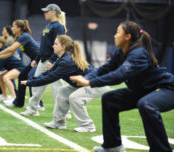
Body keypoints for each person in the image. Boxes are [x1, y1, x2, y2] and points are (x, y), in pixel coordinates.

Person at [70, 21, 174, 152]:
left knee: (147, 104)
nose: (114, 36)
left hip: (167, 88)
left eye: (117, 32)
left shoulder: (139, 54)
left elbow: (119, 75)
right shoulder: (120, 53)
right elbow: (103, 70)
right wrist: (85, 78)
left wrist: (90, 83)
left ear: (127, 36)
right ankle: (112, 145)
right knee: (109, 99)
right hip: (144, 90)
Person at [21, 35, 110, 132]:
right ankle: (58, 122)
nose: (53, 46)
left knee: (75, 98)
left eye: (56, 44)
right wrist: (32, 80)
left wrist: (30, 82)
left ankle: (87, 126)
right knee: (63, 91)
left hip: (97, 84)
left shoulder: (66, 61)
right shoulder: (62, 59)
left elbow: (50, 78)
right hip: (84, 84)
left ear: (63, 46)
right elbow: (48, 73)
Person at [20, 3, 67, 116]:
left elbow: (60, 45)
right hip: (43, 60)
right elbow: (43, 46)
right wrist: (37, 59)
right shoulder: (47, 26)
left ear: (53, 12)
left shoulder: (58, 27)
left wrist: (52, 60)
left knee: (56, 88)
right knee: (36, 84)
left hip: (52, 61)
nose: (45, 13)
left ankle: (63, 112)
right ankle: (33, 110)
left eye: (47, 11)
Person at [0, 19, 43, 108]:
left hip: (40, 60)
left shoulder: (24, 36)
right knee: (22, 76)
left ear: (19, 28)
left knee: (30, 78)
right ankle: (18, 103)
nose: (12, 28)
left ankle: (38, 104)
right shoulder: (19, 37)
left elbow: (11, 49)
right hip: (33, 61)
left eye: (13, 26)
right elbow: (11, 53)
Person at [0, 37, 27, 102]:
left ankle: (14, 98)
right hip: (15, 68)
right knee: (0, 76)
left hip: (21, 68)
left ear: (1, 44)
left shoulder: (3, 52)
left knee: (6, 77)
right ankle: (4, 96)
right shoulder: (0, 52)